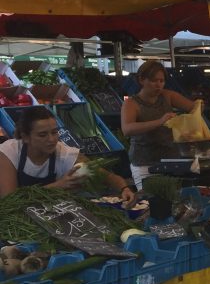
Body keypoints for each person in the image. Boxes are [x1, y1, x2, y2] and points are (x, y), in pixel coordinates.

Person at [0, 106, 136, 202]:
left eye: (54, 132)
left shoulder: (63, 153)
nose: (52, 139)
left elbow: (105, 175)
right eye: (42, 135)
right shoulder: (9, 151)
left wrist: (124, 188)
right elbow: (10, 199)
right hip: (13, 220)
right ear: (25, 137)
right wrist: (57, 186)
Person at [121, 60, 197, 189]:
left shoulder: (168, 96)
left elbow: (194, 108)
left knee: (175, 202)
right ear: (141, 80)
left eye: (161, 81)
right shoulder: (131, 103)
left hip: (171, 161)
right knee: (151, 203)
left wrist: (189, 121)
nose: (158, 85)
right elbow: (127, 129)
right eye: (154, 81)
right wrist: (160, 122)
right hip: (144, 164)